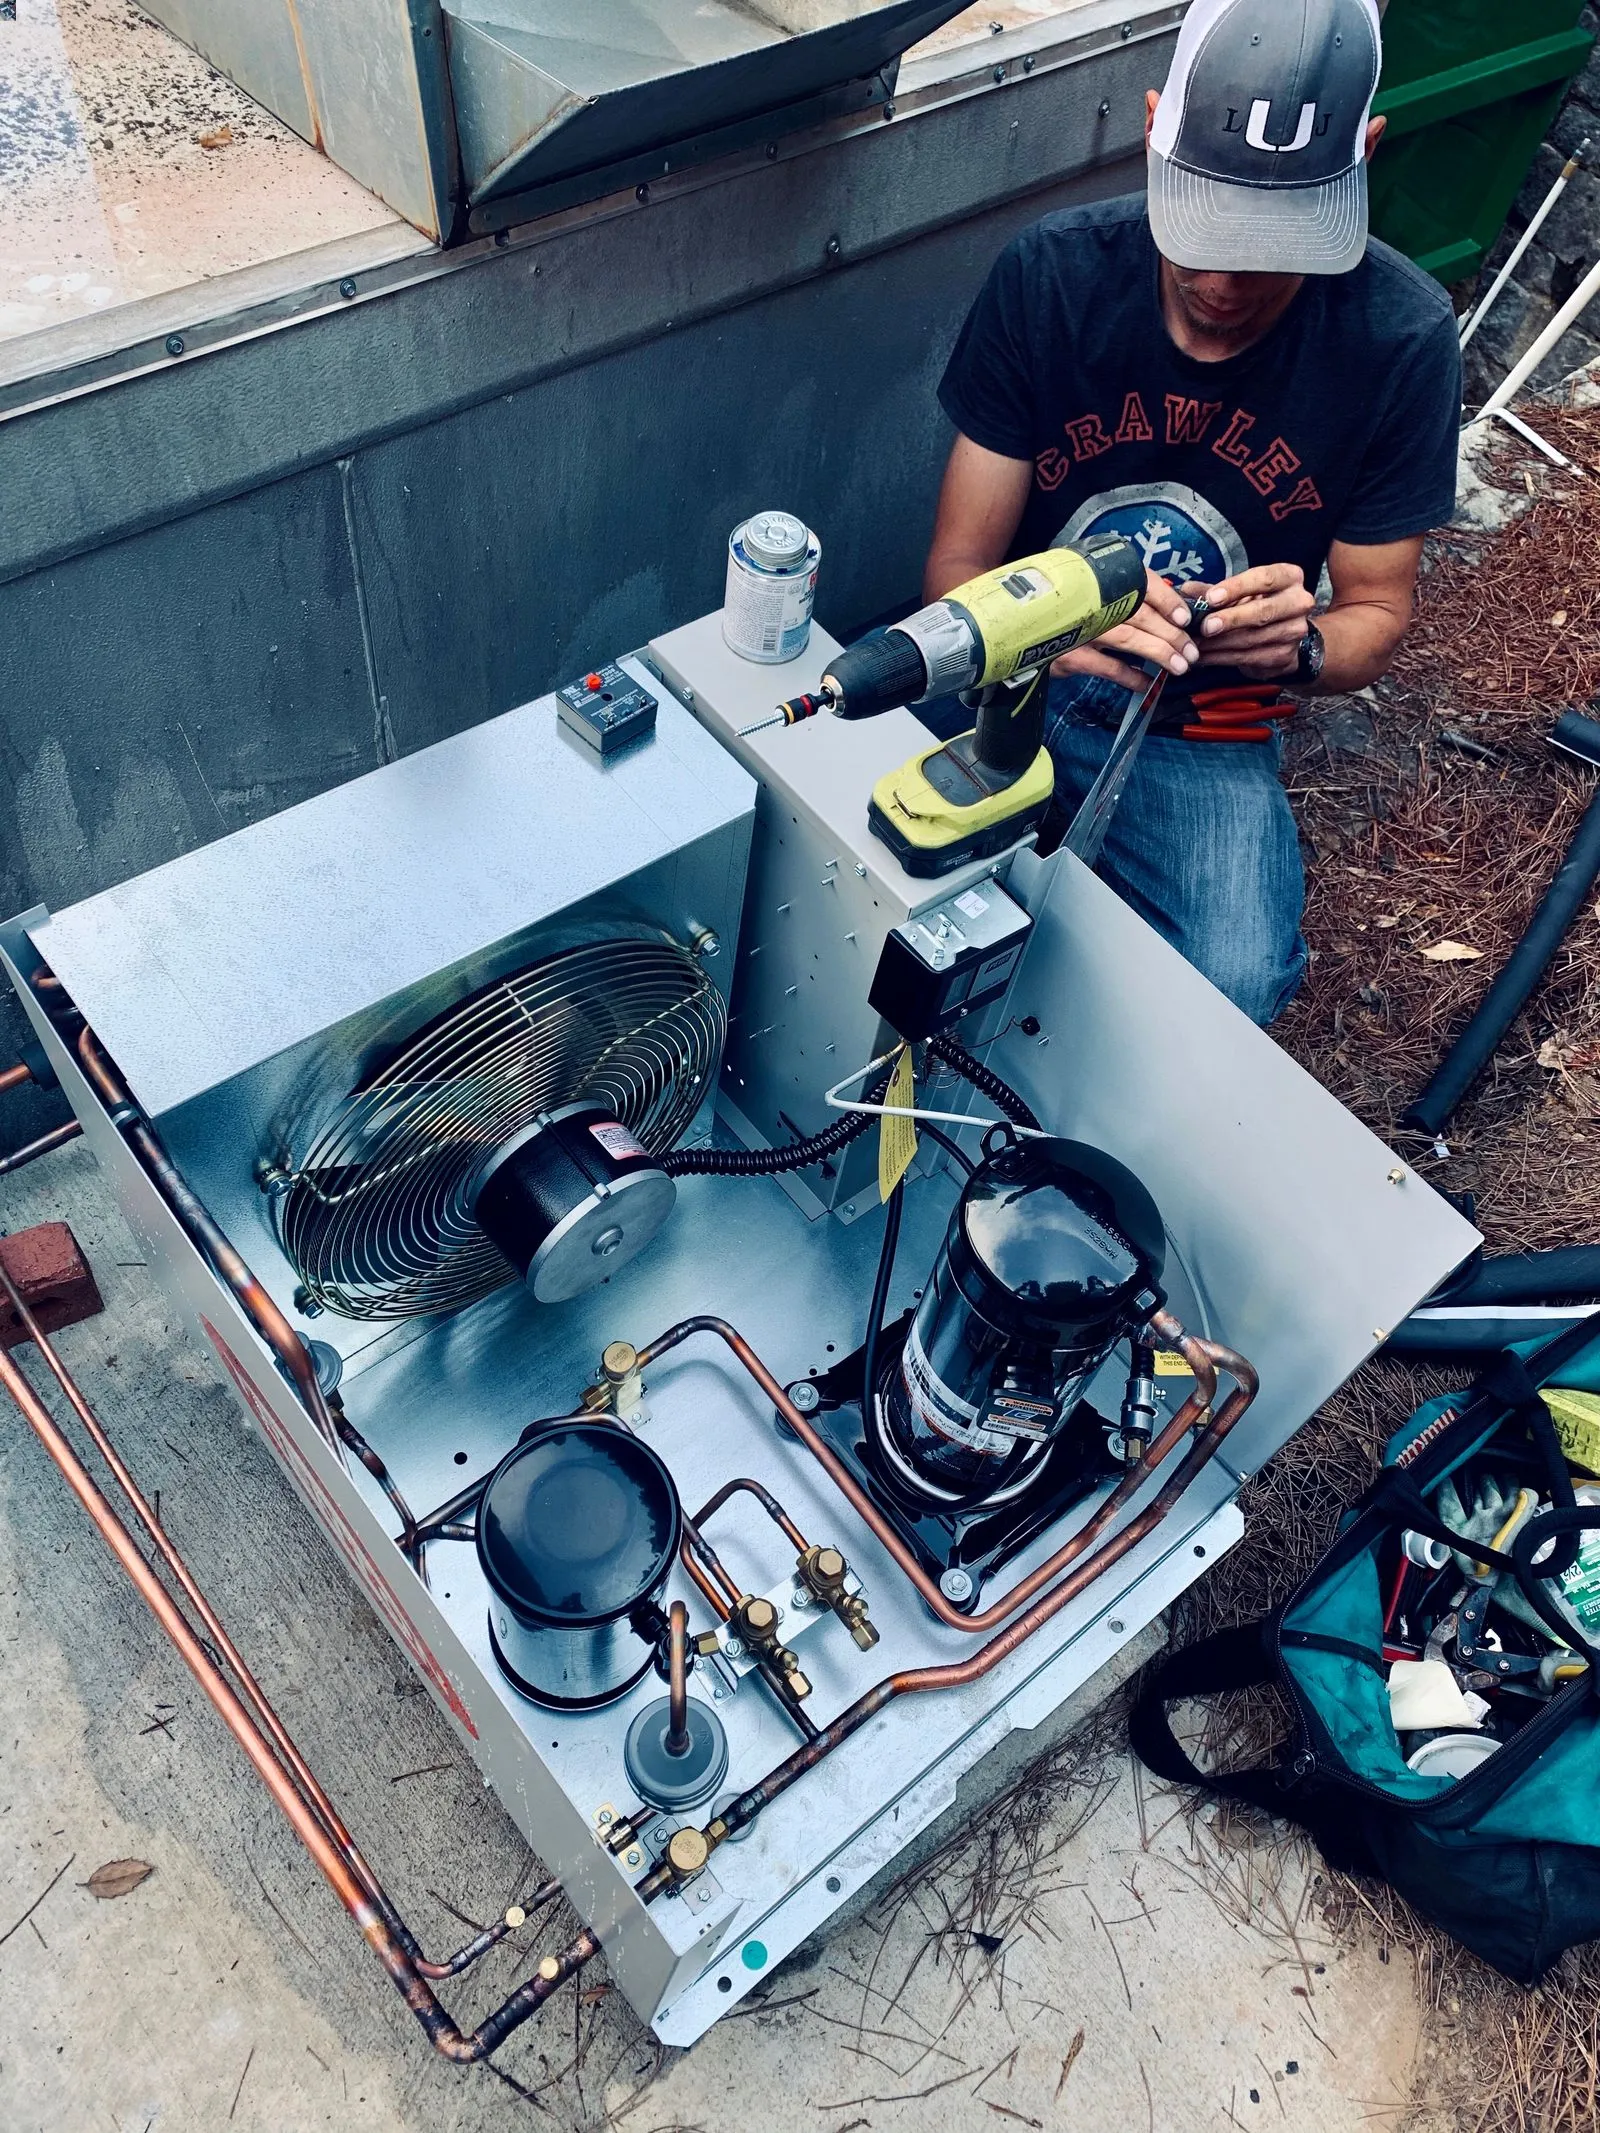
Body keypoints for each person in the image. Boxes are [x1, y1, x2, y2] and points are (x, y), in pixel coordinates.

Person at [925, 0, 1461, 1023]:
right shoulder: (1052, 272)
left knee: (1237, 986)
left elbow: (1376, 615)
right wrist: (1053, 627)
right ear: (1152, 124)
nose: (1222, 282)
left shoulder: (1399, 335)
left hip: (1199, 722)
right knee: (843, 836)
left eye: (1271, 244)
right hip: (1014, 669)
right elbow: (952, 577)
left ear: (1366, 154)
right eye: (1200, 226)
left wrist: (1298, 648)